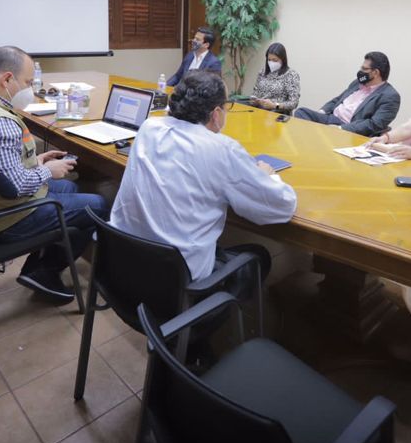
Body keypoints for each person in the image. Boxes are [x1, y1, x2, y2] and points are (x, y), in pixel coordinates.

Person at [0, 46, 108, 304]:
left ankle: (40, 267)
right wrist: (47, 170)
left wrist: (34, 160)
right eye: (27, 82)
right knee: (98, 205)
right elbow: (12, 189)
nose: (30, 88)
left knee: (69, 190)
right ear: (6, 79)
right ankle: (46, 269)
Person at [111, 71, 297, 289]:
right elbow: (281, 206)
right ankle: (202, 314)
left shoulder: (148, 128)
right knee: (259, 256)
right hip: (172, 286)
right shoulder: (221, 149)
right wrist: (268, 177)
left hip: (122, 266)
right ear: (216, 113)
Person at [293, 51, 400, 136]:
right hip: (331, 118)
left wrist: (341, 129)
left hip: (349, 128)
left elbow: (374, 124)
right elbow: (338, 100)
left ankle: (319, 137)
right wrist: (322, 112)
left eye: (364, 69)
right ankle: (320, 137)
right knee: (301, 112)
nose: (360, 71)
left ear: (376, 73)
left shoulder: (390, 96)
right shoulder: (357, 82)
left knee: (312, 132)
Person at [249, 42, 301, 114]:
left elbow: (294, 102)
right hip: (259, 111)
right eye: (269, 60)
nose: (271, 63)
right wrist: (254, 100)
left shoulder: (291, 75)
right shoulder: (263, 72)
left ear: (283, 60)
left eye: (275, 60)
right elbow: (255, 93)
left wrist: (274, 105)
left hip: (278, 114)